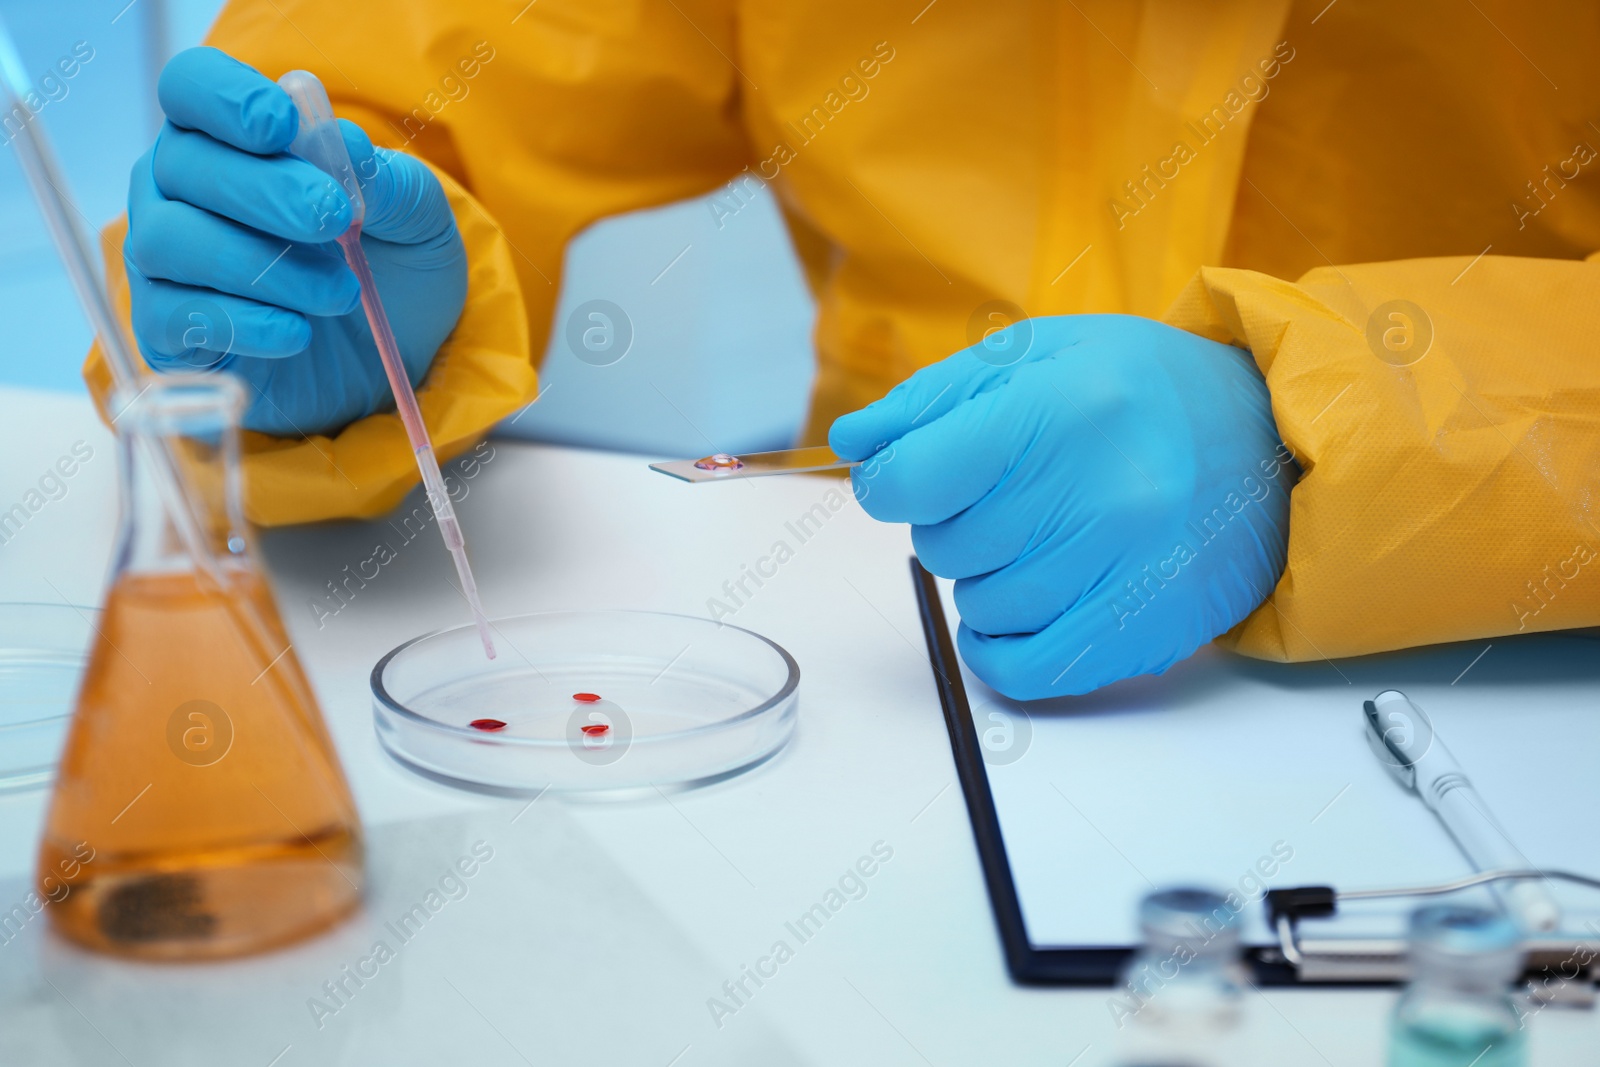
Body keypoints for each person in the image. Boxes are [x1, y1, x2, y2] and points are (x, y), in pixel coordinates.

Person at [90, 1, 1600, 700]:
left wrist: (1345, 420)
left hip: (1500, 696)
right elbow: (446, 57)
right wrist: (342, 283)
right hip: (911, 653)